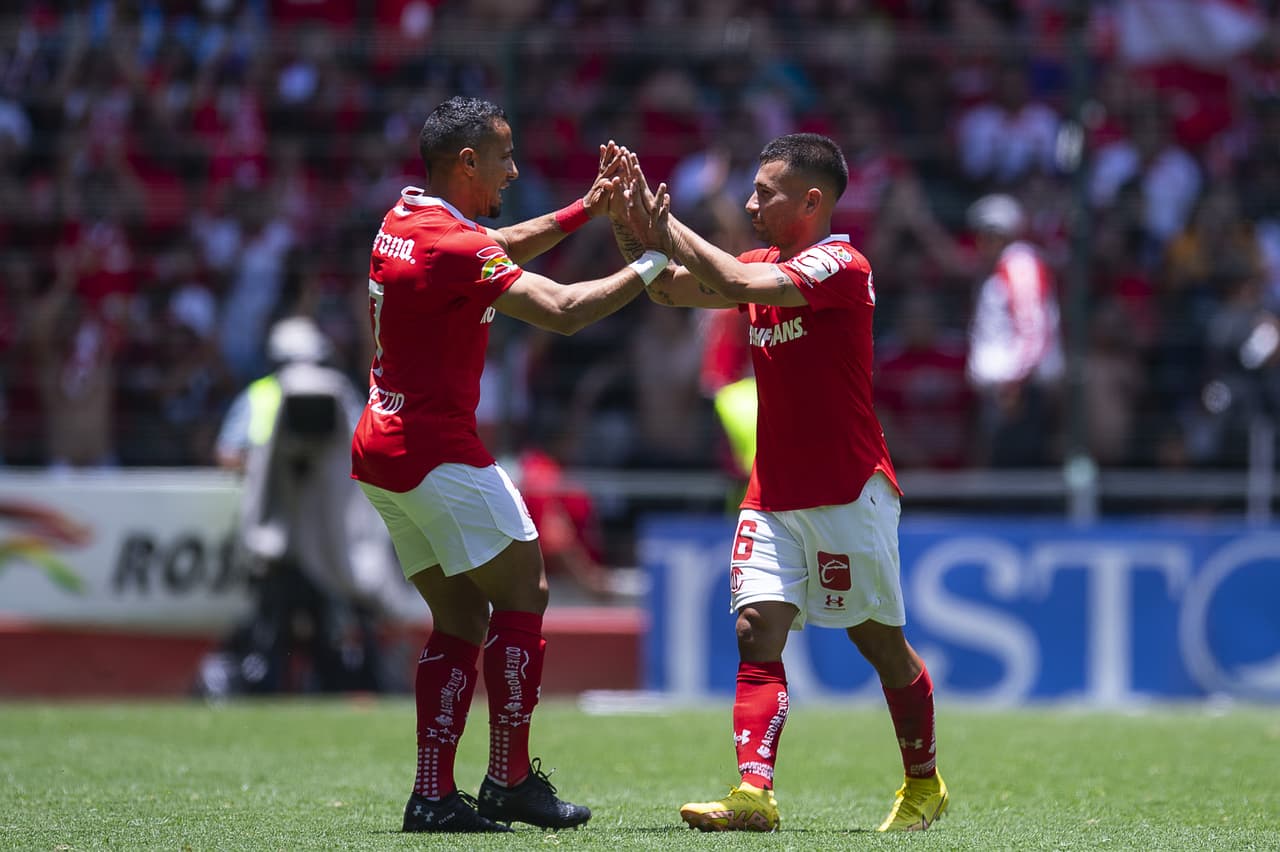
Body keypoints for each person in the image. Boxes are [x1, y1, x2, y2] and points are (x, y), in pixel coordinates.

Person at [349, 96, 668, 834]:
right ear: (467, 163)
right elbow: (560, 308)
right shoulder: (454, 247)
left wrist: (586, 209)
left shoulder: (405, 218)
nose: (514, 169)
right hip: (435, 448)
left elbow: (490, 242)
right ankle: (510, 780)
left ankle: (433, 794)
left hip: (381, 447)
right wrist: (656, 261)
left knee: (461, 614)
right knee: (527, 588)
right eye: (504, 156)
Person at [609, 134, 947, 832]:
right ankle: (754, 793)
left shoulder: (841, 264)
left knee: (877, 644)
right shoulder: (764, 261)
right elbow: (669, 288)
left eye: (765, 191)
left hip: (849, 489)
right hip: (772, 491)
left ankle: (923, 783)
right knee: (755, 628)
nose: (750, 201)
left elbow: (731, 283)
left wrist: (664, 224)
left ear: (812, 200)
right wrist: (628, 223)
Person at [205, 315, 394, 696]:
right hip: (285, 529)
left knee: (333, 630)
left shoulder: (335, 394)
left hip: (325, 533)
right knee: (274, 630)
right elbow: (229, 454)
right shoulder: (269, 395)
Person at [964, 193, 1064, 467]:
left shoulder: (1020, 264)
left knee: (1017, 473)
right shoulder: (1003, 268)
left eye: (989, 235)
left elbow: (1033, 329)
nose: (982, 243)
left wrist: (1015, 383)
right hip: (1008, 392)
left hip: (1019, 393)